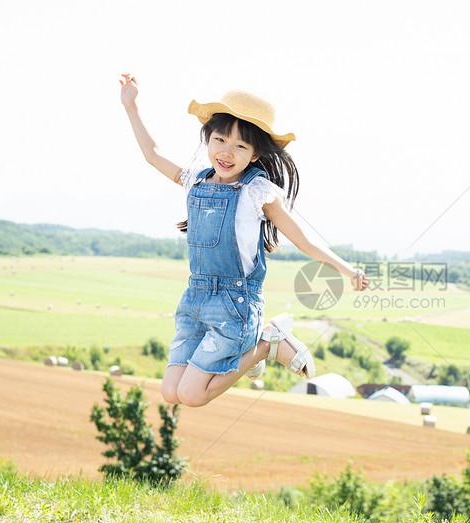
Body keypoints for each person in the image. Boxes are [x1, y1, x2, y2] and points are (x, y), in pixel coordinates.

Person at [119, 74, 368, 407]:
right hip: (194, 299)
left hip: (235, 305)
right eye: (220, 139)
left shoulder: (258, 192)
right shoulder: (195, 179)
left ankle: (268, 344)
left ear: (254, 154)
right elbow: (153, 154)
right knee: (170, 392)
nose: (226, 152)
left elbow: (303, 240)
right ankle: (257, 349)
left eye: (240, 146)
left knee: (191, 395)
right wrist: (130, 104)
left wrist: (348, 270)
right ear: (207, 139)